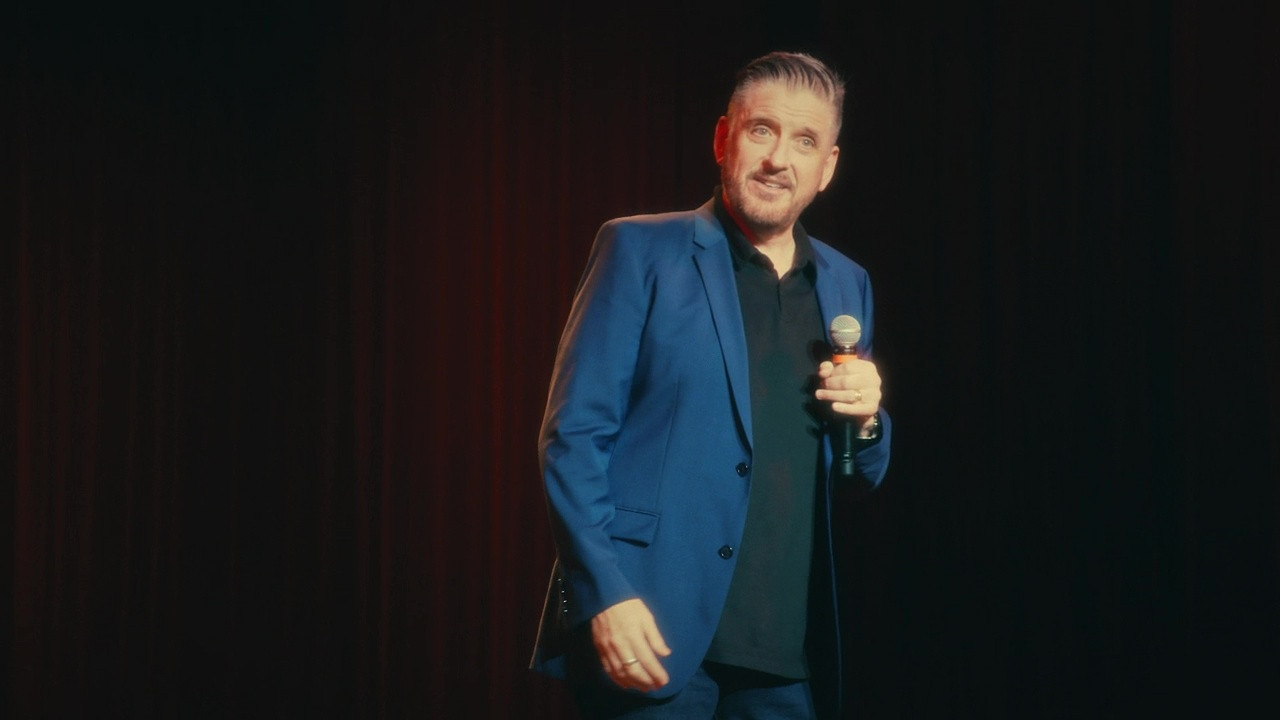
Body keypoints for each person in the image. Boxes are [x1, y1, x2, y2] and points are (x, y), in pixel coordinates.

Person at [530, 51, 891, 719]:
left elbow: (858, 474)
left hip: (784, 653)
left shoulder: (847, 283)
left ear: (827, 167)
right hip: (652, 636)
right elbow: (572, 438)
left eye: (804, 141)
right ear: (724, 139)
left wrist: (867, 420)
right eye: (762, 131)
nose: (778, 159)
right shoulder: (641, 250)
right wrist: (603, 594)